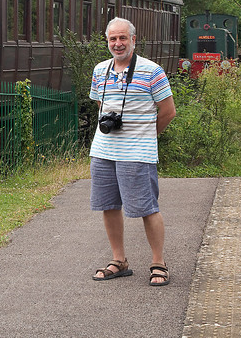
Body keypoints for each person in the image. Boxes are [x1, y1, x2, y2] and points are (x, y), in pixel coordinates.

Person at [89, 17, 176, 286]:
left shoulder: (152, 71)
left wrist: (146, 137)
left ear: (134, 40)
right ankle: (119, 261)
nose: (118, 43)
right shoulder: (100, 70)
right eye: (113, 39)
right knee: (108, 206)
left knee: (147, 208)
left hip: (137, 153)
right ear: (107, 41)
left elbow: (168, 112)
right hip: (103, 151)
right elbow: (101, 105)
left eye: (123, 38)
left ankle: (159, 263)